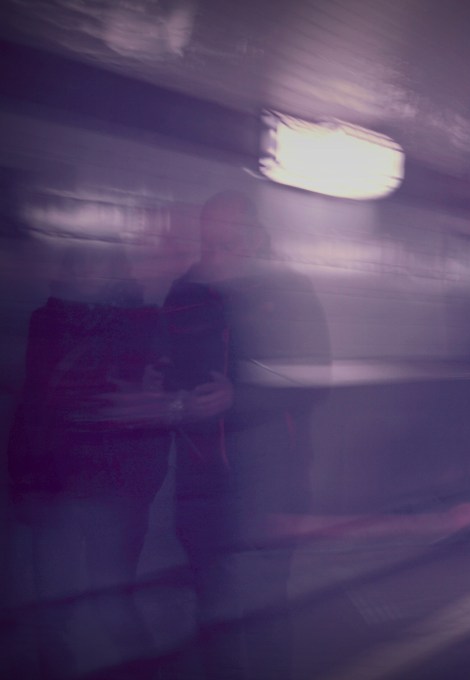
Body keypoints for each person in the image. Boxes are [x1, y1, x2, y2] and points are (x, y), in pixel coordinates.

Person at [160, 190, 331, 679]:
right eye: (209, 236)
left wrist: (239, 398)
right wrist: (170, 397)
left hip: (271, 478)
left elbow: (315, 378)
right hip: (200, 480)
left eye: (229, 236)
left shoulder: (289, 289)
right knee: (211, 606)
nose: (216, 247)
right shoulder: (185, 292)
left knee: (264, 605)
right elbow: (168, 368)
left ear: (255, 235)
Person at [7, 244, 170, 679]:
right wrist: (22, 478)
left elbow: (155, 412)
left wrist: (139, 488)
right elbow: (33, 404)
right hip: (52, 481)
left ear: (116, 269)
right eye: (78, 261)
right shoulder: (46, 321)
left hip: (113, 487)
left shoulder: (143, 323)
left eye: (97, 262)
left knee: (109, 602)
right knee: (51, 612)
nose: (86, 271)